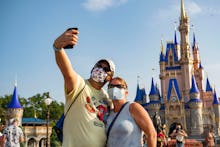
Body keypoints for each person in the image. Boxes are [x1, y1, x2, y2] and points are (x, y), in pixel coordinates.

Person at [53, 28, 115, 147]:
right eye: (98, 65)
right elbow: (67, 72)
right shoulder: (80, 84)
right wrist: (58, 48)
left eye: (105, 69)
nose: (100, 69)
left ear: (109, 78)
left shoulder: (107, 98)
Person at [105, 77, 157, 147]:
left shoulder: (133, 108)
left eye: (118, 86)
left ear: (126, 92)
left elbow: (152, 134)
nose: (114, 89)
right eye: (111, 86)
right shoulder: (109, 113)